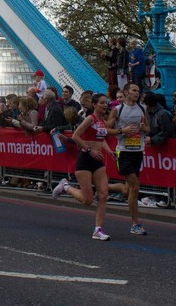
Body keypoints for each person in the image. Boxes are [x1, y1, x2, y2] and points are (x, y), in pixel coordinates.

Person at [52, 92, 115, 240]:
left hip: (97, 161)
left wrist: (108, 150)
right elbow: (75, 136)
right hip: (85, 160)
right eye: (101, 103)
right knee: (88, 200)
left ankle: (98, 229)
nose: (105, 105)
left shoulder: (102, 122)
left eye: (106, 103)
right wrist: (89, 150)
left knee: (104, 194)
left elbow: (101, 139)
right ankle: (65, 187)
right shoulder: (90, 119)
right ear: (94, 105)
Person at [109, 83, 149, 235]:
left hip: (138, 151)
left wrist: (145, 130)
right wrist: (122, 130)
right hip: (123, 152)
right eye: (134, 90)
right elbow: (106, 129)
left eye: (138, 91)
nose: (137, 93)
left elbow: (148, 128)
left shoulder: (142, 109)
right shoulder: (118, 110)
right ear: (126, 92)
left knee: (127, 190)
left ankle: (102, 186)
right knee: (135, 187)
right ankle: (135, 224)